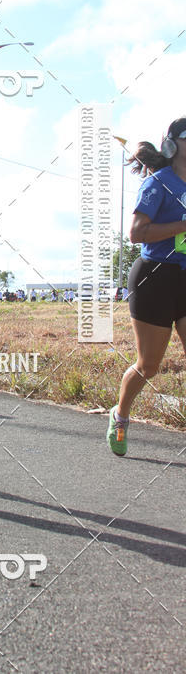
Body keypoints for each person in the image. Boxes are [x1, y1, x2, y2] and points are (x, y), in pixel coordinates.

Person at [107, 118, 186, 456]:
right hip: (154, 277)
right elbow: (137, 233)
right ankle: (121, 415)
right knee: (149, 364)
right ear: (174, 144)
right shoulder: (158, 183)